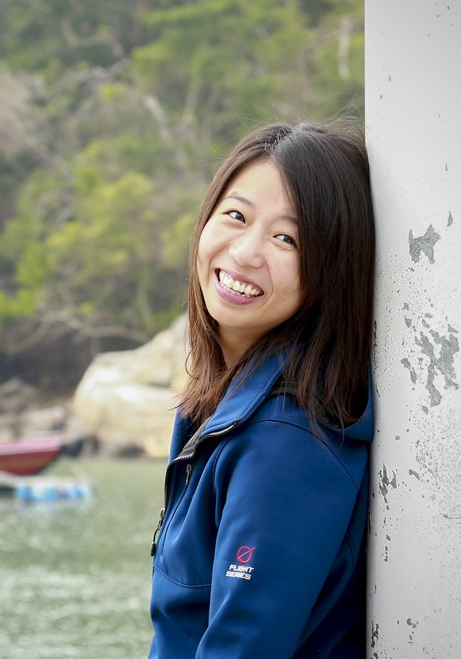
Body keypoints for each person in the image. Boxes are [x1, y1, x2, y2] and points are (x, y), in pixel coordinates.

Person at [148, 120, 375, 658]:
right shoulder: (218, 405)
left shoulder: (284, 440)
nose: (247, 251)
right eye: (236, 216)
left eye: (286, 238)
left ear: (330, 271)